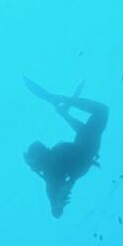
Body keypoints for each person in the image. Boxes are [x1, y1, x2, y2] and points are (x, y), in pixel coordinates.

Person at [23, 78, 108, 218]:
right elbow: (56, 211)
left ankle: (63, 108)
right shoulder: (51, 175)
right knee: (100, 113)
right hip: (85, 147)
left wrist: (59, 203)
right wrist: (59, 202)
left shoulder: (51, 174)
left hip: (85, 148)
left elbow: (56, 211)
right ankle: (63, 106)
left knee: (99, 114)